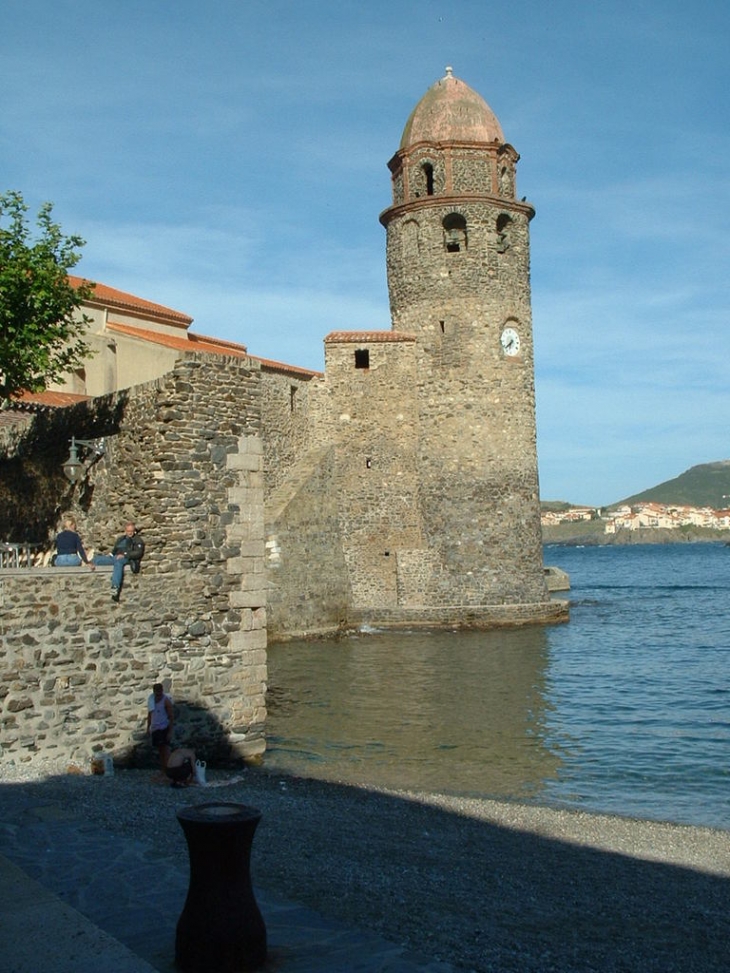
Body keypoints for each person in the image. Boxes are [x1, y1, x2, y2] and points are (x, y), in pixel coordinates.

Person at [94, 521, 145, 602]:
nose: (130, 533)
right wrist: (110, 555)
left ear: (134, 531)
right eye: (128, 531)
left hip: (126, 558)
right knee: (97, 559)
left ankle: (115, 587)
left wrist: (125, 555)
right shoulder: (121, 539)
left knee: (118, 563)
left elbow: (138, 553)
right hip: (115, 556)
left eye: (131, 531)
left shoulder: (137, 540)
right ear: (125, 530)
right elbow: (115, 550)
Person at [146, 682, 174, 772]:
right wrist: (148, 728)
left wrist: (170, 731)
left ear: (162, 691)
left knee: (165, 749)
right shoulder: (151, 701)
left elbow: (171, 716)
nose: (158, 695)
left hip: (163, 727)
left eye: (159, 692)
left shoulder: (166, 700)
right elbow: (150, 714)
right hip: (155, 728)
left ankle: (170, 769)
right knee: (160, 750)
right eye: (156, 693)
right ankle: (164, 770)